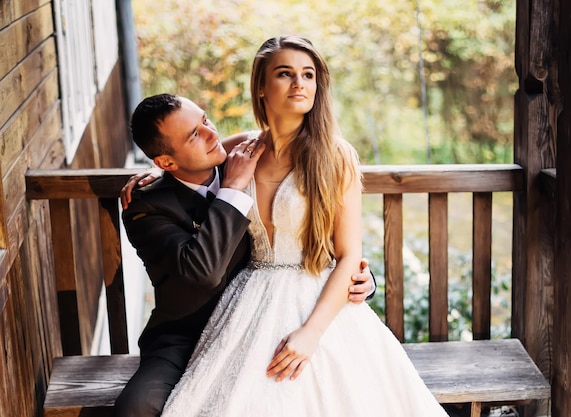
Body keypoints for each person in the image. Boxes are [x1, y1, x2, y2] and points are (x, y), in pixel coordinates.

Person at [150, 35, 450, 416]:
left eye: (308, 75)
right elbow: (185, 161)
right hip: (251, 298)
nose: (299, 84)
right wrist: (147, 175)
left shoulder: (335, 155)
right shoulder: (242, 150)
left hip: (317, 298)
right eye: (285, 73)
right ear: (261, 87)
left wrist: (310, 335)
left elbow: (349, 255)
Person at [115, 92, 375, 417]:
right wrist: (232, 191)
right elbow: (202, 273)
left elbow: (296, 231)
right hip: (186, 334)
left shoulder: (237, 161)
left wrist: (360, 277)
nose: (212, 136)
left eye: (205, 120)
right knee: (137, 407)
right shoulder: (147, 207)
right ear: (166, 162)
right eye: (195, 135)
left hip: (256, 320)